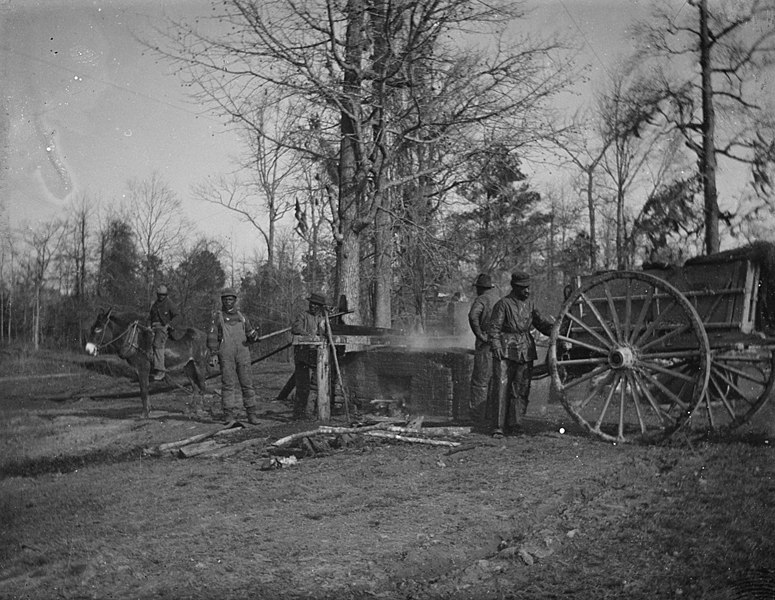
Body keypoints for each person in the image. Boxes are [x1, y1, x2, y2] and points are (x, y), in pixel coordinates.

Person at [488, 271, 554, 437]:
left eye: (528, 288)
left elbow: (542, 325)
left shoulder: (530, 305)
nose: (527, 291)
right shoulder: (503, 304)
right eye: (523, 288)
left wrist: (557, 330)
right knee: (501, 389)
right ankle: (498, 427)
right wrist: (496, 345)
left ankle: (516, 425)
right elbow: (494, 328)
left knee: (521, 389)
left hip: (525, 349)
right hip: (505, 349)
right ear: (515, 288)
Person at [206, 287, 261, 425]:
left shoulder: (242, 317)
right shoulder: (217, 317)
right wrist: (213, 353)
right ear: (222, 301)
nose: (228, 302)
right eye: (225, 299)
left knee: (247, 384)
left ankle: (251, 414)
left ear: (235, 300)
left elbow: (249, 333)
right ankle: (228, 415)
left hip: (243, 354)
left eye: (230, 299)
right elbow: (212, 337)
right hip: (226, 355)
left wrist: (254, 336)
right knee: (228, 385)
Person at [291, 293, 329, 420]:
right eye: (311, 303)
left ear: (320, 307)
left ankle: (310, 412)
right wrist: (309, 336)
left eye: (316, 305)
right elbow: (296, 328)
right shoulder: (303, 315)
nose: (313, 306)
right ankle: (298, 414)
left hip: (317, 355)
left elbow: (327, 332)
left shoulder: (324, 318)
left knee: (316, 385)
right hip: (303, 353)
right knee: (302, 384)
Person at [467, 273, 498, 425]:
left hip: (485, 346)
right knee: (495, 381)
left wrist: (480, 335)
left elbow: (473, 316)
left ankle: (477, 418)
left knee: (480, 382)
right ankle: (492, 416)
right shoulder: (499, 299)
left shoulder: (482, 299)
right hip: (499, 345)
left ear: (479, 288)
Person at [148, 284, 178, 381]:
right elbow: (150, 317)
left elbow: (177, 316)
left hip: (162, 328)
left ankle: (161, 370)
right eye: (160, 295)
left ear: (166, 295)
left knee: (157, 344)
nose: (161, 296)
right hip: (153, 327)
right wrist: (148, 325)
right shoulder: (154, 305)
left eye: (163, 295)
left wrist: (169, 324)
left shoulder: (169, 303)